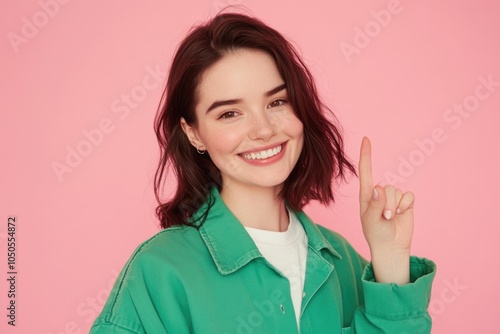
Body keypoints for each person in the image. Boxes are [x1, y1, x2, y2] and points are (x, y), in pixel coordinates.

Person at [90, 12, 435, 334]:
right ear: (193, 132)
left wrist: (390, 261)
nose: (264, 130)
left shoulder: (342, 260)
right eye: (229, 114)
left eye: (276, 102)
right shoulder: (159, 271)